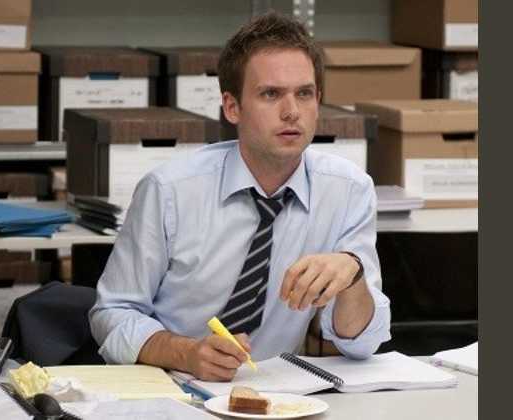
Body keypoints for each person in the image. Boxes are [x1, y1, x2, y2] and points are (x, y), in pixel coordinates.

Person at [90, 11, 391, 381]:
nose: (291, 112)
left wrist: (354, 276)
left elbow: (361, 344)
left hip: (279, 393)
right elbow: (112, 313)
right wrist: (186, 353)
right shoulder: (169, 190)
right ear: (232, 107)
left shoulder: (348, 190)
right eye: (270, 94)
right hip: (172, 386)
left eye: (304, 94)